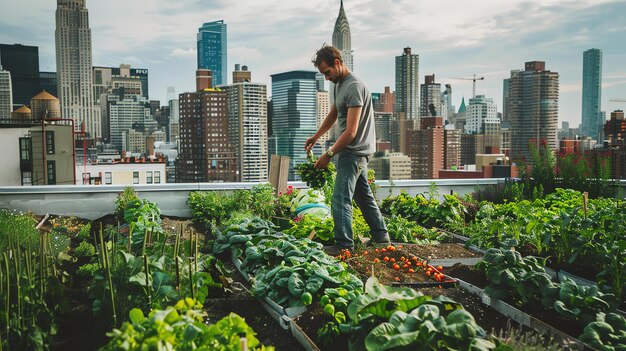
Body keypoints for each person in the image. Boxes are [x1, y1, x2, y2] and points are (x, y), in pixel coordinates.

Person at [305, 45, 390, 254]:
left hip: (352, 150)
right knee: (363, 196)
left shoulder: (354, 86)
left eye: (327, 72)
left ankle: (344, 246)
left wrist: (328, 154)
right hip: (353, 150)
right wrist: (317, 137)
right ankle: (382, 237)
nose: (326, 78)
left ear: (337, 62)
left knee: (340, 198)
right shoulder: (340, 84)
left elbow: (351, 132)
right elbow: (334, 113)